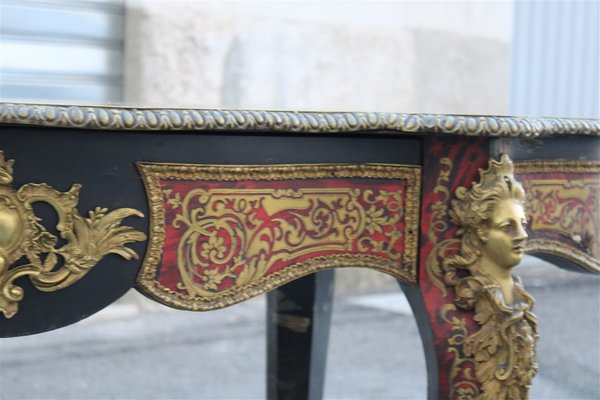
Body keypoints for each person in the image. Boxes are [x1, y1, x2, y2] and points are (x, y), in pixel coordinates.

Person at [444, 155, 538, 400]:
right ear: (481, 231)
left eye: (523, 224)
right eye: (508, 227)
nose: (523, 236)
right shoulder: (474, 289)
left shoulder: (515, 292)